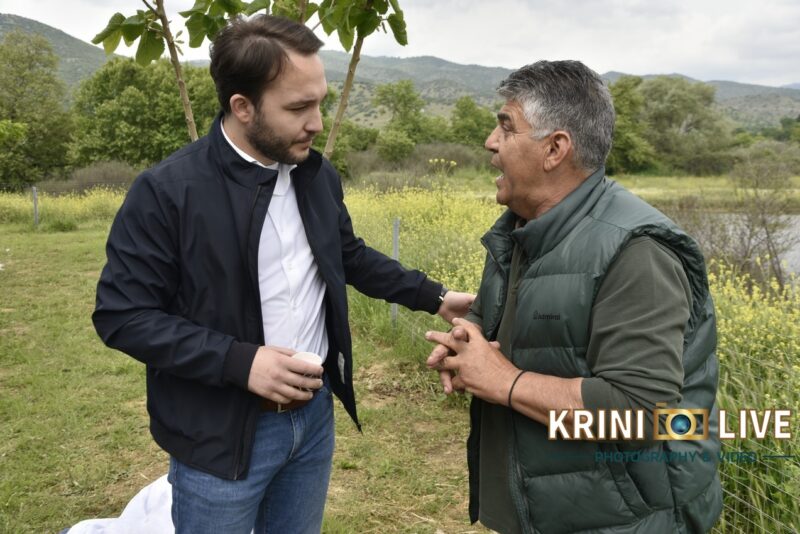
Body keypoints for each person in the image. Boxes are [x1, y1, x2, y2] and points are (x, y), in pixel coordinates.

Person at [92, 15, 472, 534]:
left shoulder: (316, 174)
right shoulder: (166, 192)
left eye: (320, 103)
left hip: (313, 420)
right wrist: (239, 361)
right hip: (218, 437)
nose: (317, 123)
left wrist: (435, 295)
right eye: (298, 108)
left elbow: (347, 255)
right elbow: (123, 315)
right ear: (242, 107)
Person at [425, 60, 721, 533]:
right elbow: (525, 333)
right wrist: (469, 346)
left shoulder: (637, 251)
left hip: (623, 520)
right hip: (546, 509)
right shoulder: (524, 230)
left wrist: (505, 382)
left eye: (506, 127)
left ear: (555, 149)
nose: (490, 141)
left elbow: (643, 414)